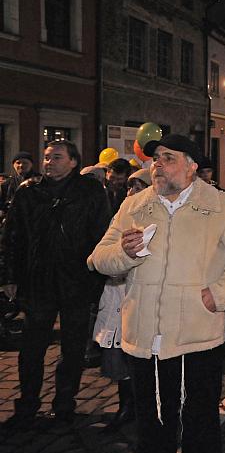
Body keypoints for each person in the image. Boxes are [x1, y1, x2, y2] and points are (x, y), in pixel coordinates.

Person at [89, 134, 225, 453]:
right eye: (156, 158)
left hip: (197, 338)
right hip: (144, 340)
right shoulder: (134, 204)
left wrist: (219, 294)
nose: (158, 165)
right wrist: (125, 253)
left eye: (168, 158)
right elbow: (98, 258)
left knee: (200, 429)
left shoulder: (220, 204)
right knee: (152, 432)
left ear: (191, 166)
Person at [1, 140, 111, 429]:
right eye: (47, 157)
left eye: (57, 157)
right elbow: (12, 236)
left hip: (77, 281)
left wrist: (97, 277)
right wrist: (9, 276)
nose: (49, 162)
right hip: (38, 281)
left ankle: (64, 404)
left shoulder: (90, 191)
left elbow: (102, 235)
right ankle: (27, 405)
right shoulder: (29, 191)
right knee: (32, 348)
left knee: (73, 349)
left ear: (73, 161)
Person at [89, 169, 150, 433]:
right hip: (117, 293)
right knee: (120, 359)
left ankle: (146, 409)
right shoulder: (121, 215)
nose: (131, 192)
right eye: (130, 187)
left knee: (141, 359)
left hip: (140, 297)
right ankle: (127, 406)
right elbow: (102, 252)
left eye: (138, 187)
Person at [0, 151, 36, 218]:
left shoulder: (39, 181)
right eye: (18, 163)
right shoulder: (6, 184)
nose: (21, 165)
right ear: (13, 165)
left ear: (31, 164)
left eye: (25, 163)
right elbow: (2, 207)